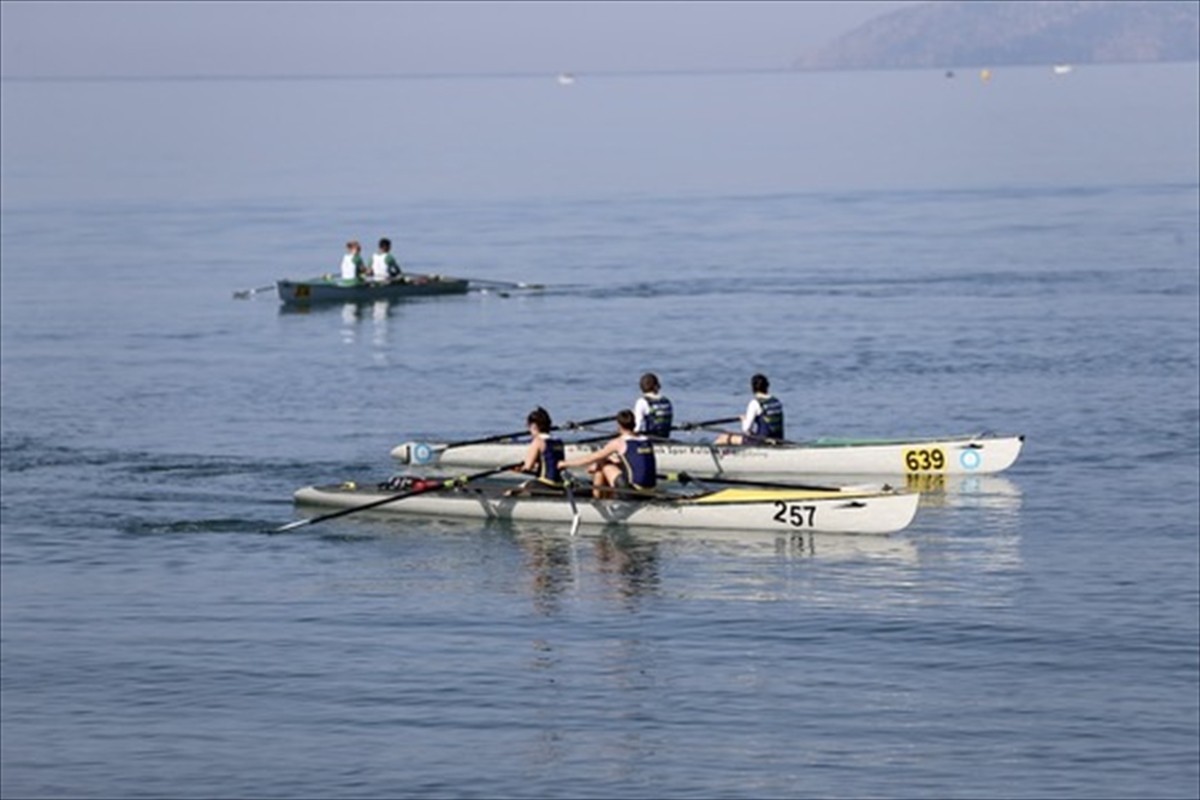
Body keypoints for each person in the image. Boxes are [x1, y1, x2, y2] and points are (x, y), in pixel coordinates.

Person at [560, 409, 656, 498]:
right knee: (607, 461)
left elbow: (592, 458)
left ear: (619, 425)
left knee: (602, 463)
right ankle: (608, 496)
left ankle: (597, 499)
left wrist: (565, 463)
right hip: (651, 490)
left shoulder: (619, 442)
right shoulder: (647, 440)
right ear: (634, 424)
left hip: (633, 492)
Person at [509, 406, 567, 495]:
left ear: (534, 426)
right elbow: (550, 465)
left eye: (528, 426)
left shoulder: (538, 441)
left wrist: (518, 469)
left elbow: (528, 467)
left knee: (511, 491)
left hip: (545, 484)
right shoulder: (558, 441)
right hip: (560, 484)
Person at [715, 373, 785, 445]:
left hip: (761, 442)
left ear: (752, 388)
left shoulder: (755, 403)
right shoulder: (776, 402)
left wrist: (743, 420)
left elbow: (746, 429)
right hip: (778, 441)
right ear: (767, 386)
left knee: (723, 437)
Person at [633, 372, 674, 439]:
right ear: (657, 386)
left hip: (650, 440)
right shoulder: (666, 401)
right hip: (665, 438)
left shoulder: (641, 402)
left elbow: (637, 427)